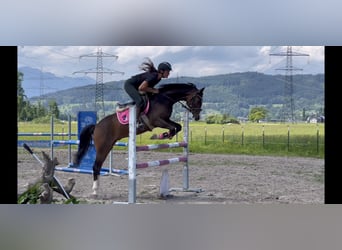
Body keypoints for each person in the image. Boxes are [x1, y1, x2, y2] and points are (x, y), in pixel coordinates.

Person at [124, 58, 172, 129]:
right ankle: (136, 122)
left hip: (137, 87)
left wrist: (154, 91)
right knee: (140, 101)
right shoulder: (154, 76)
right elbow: (141, 88)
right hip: (130, 85)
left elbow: (146, 88)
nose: (169, 73)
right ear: (162, 71)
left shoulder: (158, 78)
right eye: (167, 71)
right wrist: (154, 91)